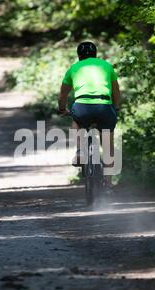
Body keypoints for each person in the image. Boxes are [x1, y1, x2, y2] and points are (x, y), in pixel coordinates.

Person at [58, 41, 121, 187]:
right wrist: (116, 108)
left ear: (79, 55)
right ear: (95, 54)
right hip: (104, 107)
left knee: (76, 120)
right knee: (108, 147)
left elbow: (63, 95)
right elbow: (116, 92)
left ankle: (80, 151)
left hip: (82, 107)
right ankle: (109, 184)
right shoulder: (106, 66)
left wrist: (62, 109)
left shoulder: (73, 68)